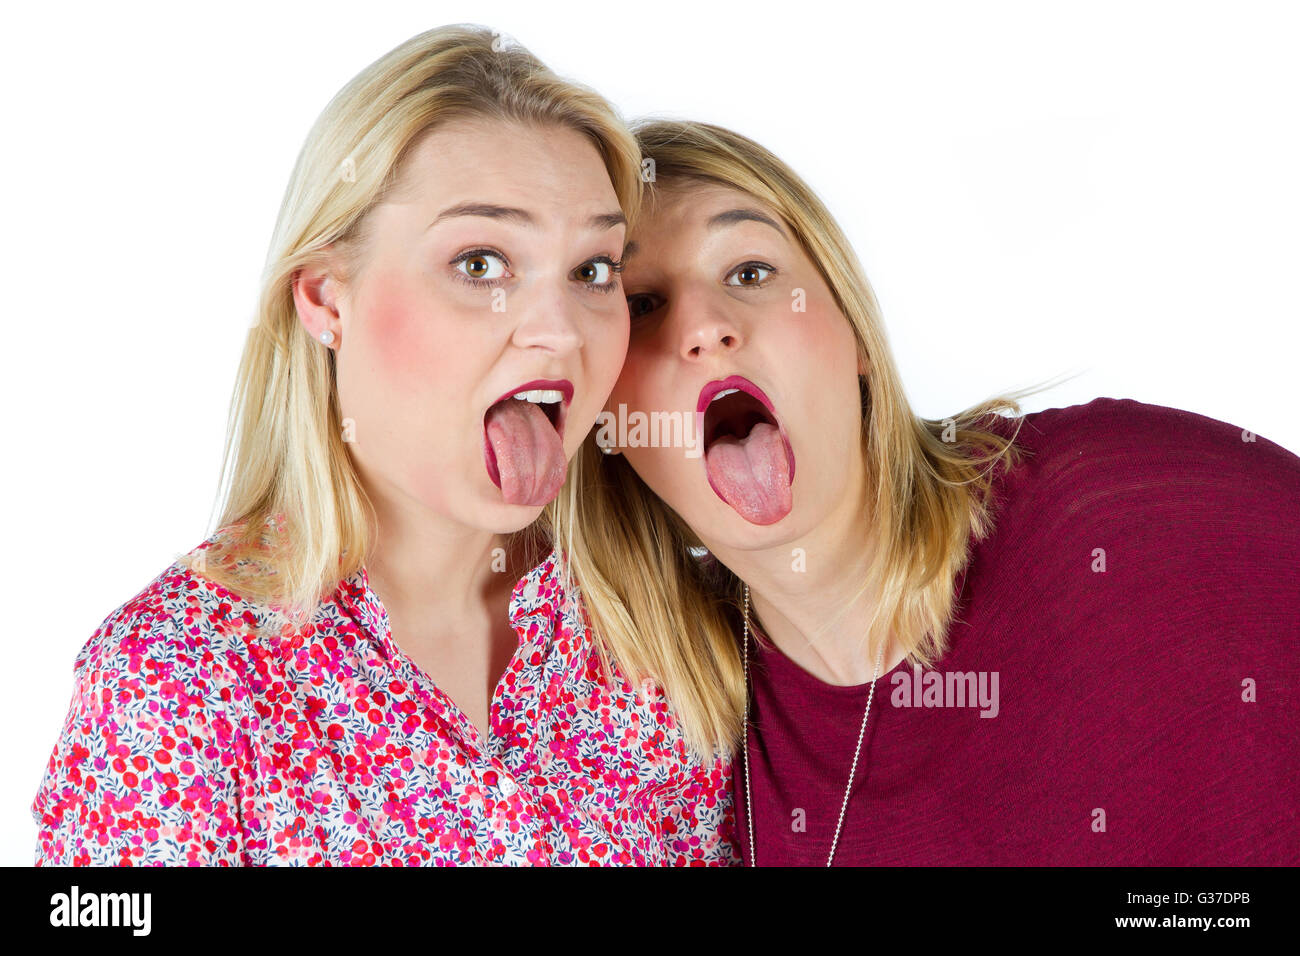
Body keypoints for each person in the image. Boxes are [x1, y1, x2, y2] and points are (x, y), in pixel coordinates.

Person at [31, 28, 736, 867]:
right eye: (480, 263)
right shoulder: (174, 683)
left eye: (592, 271)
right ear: (327, 298)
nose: (558, 333)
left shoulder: (678, 634)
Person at [552, 118, 1300, 865]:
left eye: (750, 272)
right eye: (644, 303)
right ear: (607, 421)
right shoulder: (670, 752)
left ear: (854, 337)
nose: (707, 327)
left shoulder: (1119, 510)